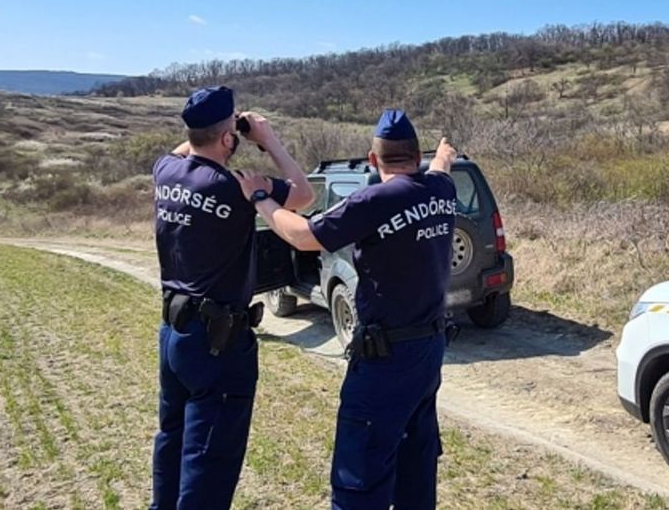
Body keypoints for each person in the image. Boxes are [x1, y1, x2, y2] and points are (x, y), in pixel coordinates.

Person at [236, 109, 458, 510]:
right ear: (417, 156)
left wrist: (260, 198)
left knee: (360, 480)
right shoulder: (441, 189)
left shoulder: (376, 198)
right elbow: (442, 166)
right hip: (427, 352)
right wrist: (443, 153)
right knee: (416, 468)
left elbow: (303, 236)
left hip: (385, 361)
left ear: (373, 161)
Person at [150, 86, 314, 510]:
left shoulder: (165, 170)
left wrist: (216, 132)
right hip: (218, 345)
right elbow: (303, 193)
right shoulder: (236, 186)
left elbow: (190, 146)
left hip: (174, 333)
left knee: (172, 439)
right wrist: (267, 139)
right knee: (209, 458)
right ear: (229, 139)